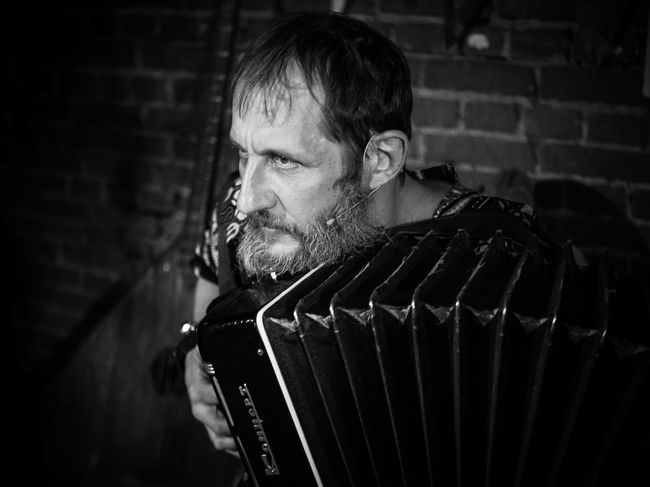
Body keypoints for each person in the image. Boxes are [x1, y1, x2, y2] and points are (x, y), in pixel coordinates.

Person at [183, 9, 537, 466]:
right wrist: (196, 357)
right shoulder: (238, 207)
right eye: (243, 152)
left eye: (284, 160)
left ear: (381, 160)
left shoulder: (505, 257)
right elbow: (207, 309)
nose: (247, 200)